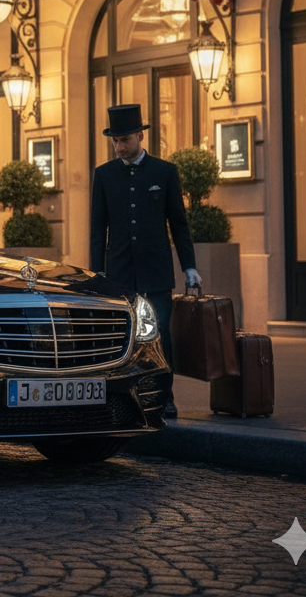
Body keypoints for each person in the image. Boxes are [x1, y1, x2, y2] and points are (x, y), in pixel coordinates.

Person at [90, 103, 201, 419]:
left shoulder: (164, 172)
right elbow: (98, 229)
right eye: (115, 141)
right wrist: (98, 272)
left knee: (161, 335)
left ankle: (165, 397)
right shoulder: (104, 175)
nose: (120, 146)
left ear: (140, 135)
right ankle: (125, 396)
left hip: (157, 272)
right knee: (122, 337)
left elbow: (178, 224)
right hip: (120, 273)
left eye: (125, 139)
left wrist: (189, 267)